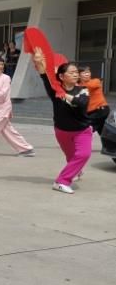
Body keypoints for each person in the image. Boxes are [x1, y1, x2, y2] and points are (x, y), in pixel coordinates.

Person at [33, 52, 91, 194]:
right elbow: (44, 76)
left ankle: (61, 181)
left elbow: (81, 103)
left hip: (82, 130)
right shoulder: (54, 90)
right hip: (62, 131)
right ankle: (75, 172)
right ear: (61, 76)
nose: (76, 74)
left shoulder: (83, 90)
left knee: (84, 154)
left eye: (76, 72)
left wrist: (63, 94)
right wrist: (40, 62)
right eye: (71, 73)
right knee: (71, 156)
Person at [78, 65, 110, 136]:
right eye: (84, 72)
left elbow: (87, 86)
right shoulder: (78, 85)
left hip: (100, 110)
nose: (87, 74)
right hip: (90, 112)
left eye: (88, 72)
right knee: (104, 133)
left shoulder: (96, 81)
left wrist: (74, 85)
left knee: (84, 129)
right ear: (79, 75)